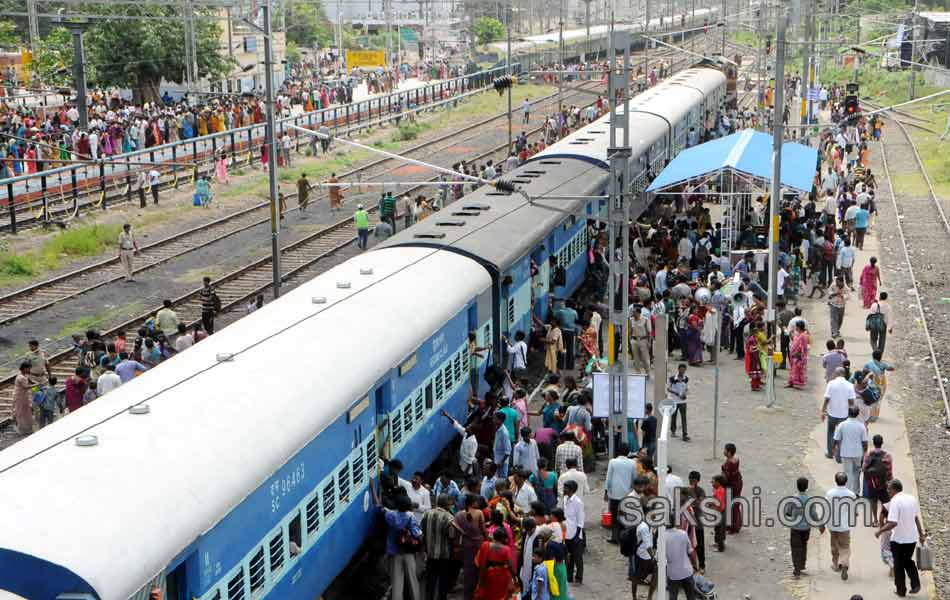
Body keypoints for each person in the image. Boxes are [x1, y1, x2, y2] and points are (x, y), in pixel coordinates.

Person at [875, 479, 926, 597]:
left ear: (894, 490)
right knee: (908, 560)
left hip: (898, 539)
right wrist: (921, 534)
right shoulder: (912, 499)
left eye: (889, 489)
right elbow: (916, 518)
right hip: (911, 538)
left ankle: (901, 590)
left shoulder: (895, 501)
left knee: (898, 565)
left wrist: (880, 531)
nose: (888, 492)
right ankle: (915, 584)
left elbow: (893, 523)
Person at [378, 491, 422, 600]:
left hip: (395, 554)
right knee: (413, 581)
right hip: (408, 553)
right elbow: (418, 534)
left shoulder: (390, 516)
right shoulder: (411, 516)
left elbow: (380, 507)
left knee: (397, 583)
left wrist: (376, 491)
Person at [820, 471, 858, 581]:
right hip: (844, 526)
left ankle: (836, 565)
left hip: (832, 524)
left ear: (835, 480)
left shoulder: (830, 493)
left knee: (834, 544)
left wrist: (822, 523)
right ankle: (844, 564)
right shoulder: (851, 495)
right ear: (846, 481)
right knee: (845, 546)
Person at [422, 494, 459, 600]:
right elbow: (451, 535)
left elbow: (422, 531)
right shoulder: (449, 517)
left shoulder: (427, 514)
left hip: (429, 553)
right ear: (446, 503)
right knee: (443, 581)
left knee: (430, 580)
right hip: (444, 555)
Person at [784, 477, 820, 579]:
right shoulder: (810, 499)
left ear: (797, 486)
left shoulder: (793, 498)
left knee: (796, 547)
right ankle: (802, 565)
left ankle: (796, 569)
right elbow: (813, 514)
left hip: (795, 527)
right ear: (807, 487)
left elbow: (788, 512)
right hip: (806, 528)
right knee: (804, 546)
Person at [456, 493, 487, 600]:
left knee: (468, 573)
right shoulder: (479, 513)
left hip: (465, 546)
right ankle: (476, 595)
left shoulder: (459, 514)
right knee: (478, 571)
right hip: (477, 545)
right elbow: (483, 530)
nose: (478, 503)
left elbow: (455, 528)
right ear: (473, 502)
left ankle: (467, 596)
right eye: (476, 501)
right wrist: (487, 539)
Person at [605, 442, 637, 544]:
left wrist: (606, 491)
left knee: (614, 517)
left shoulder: (613, 462)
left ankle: (615, 537)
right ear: (628, 452)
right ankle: (624, 537)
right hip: (627, 494)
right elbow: (634, 479)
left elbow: (608, 479)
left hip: (614, 494)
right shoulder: (632, 463)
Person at [833, 406, 869, 495]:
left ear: (848, 413)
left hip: (845, 452)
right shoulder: (861, 426)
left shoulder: (842, 425)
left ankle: (848, 492)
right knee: (857, 473)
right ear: (857, 414)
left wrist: (834, 448)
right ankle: (856, 492)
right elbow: (864, 442)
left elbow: (836, 439)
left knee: (847, 473)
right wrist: (865, 452)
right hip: (857, 453)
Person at [473, 528, 517, 600]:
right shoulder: (506, 549)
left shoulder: (485, 545)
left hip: (487, 576)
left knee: (487, 595)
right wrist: (515, 577)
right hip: (500, 578)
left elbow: (477, 561)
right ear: (502, 538)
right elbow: (510, 566)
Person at [822, 367, 856, 460]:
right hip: (844, 414)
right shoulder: (849, 385)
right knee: (842, 435)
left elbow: (827, 399)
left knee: (831, 432)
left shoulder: (831, 383)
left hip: (832, 413)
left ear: (836, 374)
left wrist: (823, 411)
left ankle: (830, 452)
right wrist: (853, 415)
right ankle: (839, 456)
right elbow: (851, 402)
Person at [666, 517, 699, 599]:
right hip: (686, 571)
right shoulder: (683, 533)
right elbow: (691, 552)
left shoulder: (662, 537)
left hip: (673, 573)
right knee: (691, 596)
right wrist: (695, 566)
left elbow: (658, 557)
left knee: (673, 596)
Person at [863, 434, 894, 522]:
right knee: (886, 502)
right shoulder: (887, 456)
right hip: (884, 483)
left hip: (872, 483)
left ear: (873, 443)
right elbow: (889, 471)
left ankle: (875, 520)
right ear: (882, 443)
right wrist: (890, 481)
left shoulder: (869, 455)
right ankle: (885, 519)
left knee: (873, 501)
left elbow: (864, 468)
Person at [562, 480, 585, 585]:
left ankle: (579, 577)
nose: (563, 489)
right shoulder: (565, 499)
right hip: (567, 532)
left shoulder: (578, 502)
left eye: (565, 488)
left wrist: (577, 535)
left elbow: (580, 520)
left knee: (577, 557)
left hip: (575, 534)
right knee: (569, 556)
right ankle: (569, 575)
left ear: (571, 490)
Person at [721, 443, 743, 534]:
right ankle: (736, 524)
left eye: (725, 450)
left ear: (729, 452)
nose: (724, 451)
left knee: (731, 506)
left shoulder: (728, 463)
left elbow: (726, 477)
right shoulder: (736, 459)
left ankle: (733, 527)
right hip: (738, 484)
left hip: (731, 486)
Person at [668, 364, 690, 442]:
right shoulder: (672, 379)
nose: (682, 371)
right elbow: (668, 389)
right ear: (678, 369)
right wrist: (677, 394)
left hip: (683, 401)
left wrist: (684, 394)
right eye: (681, 369)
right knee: (674, 416)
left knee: (684, 418)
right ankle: (673, 431)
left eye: (683, 370)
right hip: (674, 400)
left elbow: (687, 388)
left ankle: (685, 434)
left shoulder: (686, 379)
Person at [786, 321, 810, 389]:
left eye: (796, 326)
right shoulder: (798, 334)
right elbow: (794, 341)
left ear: (799, 327)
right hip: (794, 355)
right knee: (793, 369)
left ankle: (798, 384)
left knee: (798, 370)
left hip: (799, 356)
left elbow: (802, 347)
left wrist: (797, 353)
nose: (795, 328)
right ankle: (791, 382)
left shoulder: (803, 336)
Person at [13, 362, 34, 435]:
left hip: (22, 396)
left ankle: (25, 428)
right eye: (29, 368)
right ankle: (22, 429)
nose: (29, 370)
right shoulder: (21, 377)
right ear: (25, 368)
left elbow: (29, 383)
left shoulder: (22, 375)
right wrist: (37, 385)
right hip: (20, 396)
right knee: (21, 412)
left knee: (25, 411)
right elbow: (26, 387)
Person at [493, 412, 512, 479]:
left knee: (502, 481)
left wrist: (501, 462)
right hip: (497, 460)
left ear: (500, 420)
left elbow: (508, 451)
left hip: (502, 463)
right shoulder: (497, 428)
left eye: (495, 419)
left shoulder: (504, 433)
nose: (493, 420)